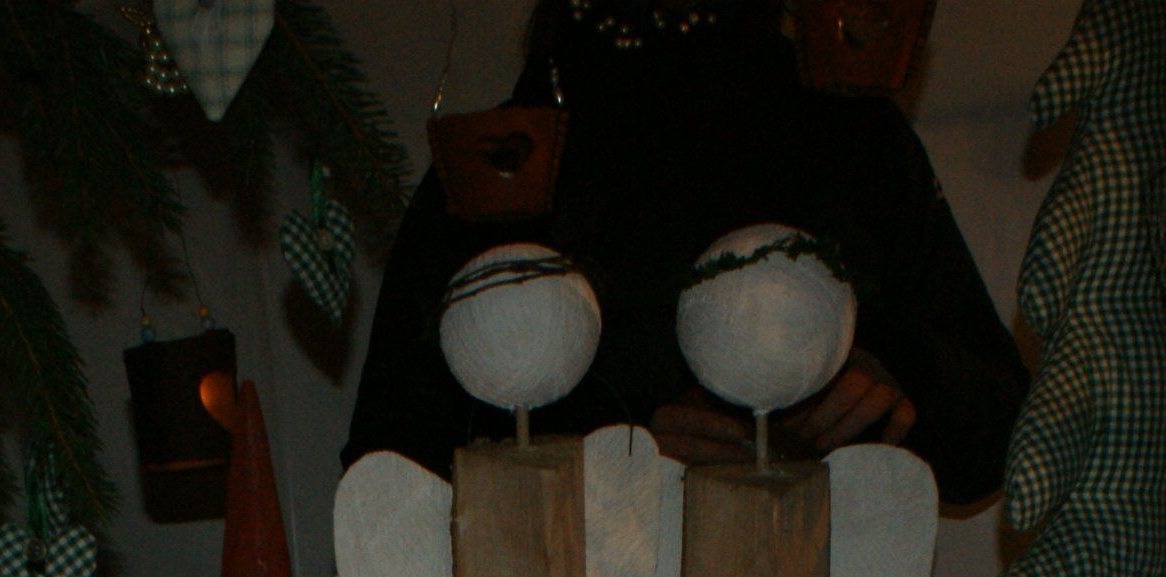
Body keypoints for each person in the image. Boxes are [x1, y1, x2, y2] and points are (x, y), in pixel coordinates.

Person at [343, 0, 1029, 504]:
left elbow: (1002, 435)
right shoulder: (504, 169)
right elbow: (390, 477)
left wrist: (886, 376)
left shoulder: (850, 140)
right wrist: (614, 455)